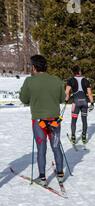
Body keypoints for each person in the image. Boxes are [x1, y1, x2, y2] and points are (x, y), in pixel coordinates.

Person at [19, 55, 66, 185]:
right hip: (54, 120)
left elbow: (24, 99)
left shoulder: (29, 81)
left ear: (34, 67)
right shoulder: (56, 80)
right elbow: (62, 99)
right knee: (56, 146)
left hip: (39, 121)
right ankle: (61, 174)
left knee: (41, 148)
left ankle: (42, 178)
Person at [66, 65, 94, 144]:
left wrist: (66, 99)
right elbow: (90, 93)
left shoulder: (70, 80)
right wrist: (92, 103)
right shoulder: (86, 80)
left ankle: (73, 137)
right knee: (84, 120)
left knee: (74, 120)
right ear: (79, 71)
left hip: (76, 103)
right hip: (84, 102)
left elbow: (67, 92)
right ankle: (84, 137)